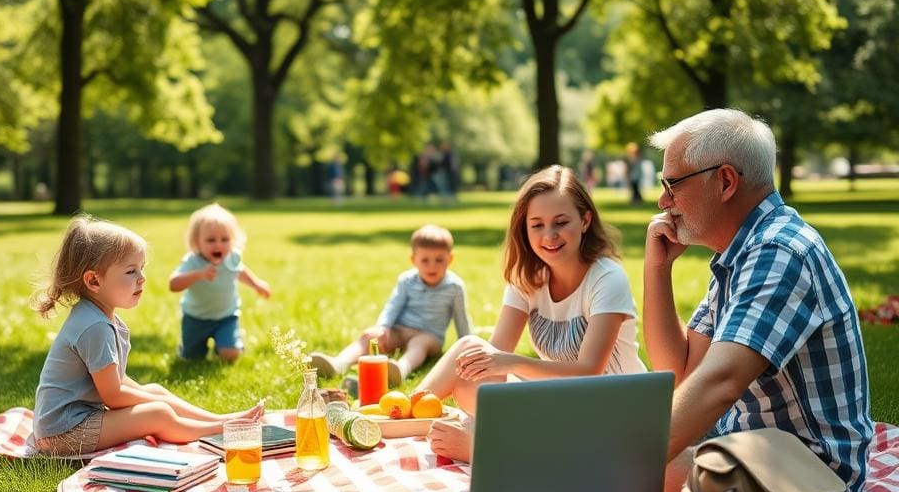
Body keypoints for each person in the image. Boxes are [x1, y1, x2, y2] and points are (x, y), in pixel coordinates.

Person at [643, 108, 873, 492]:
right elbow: (681, 373)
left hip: (814, 470)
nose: (663, 201)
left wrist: (623, 463)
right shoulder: (741, 252)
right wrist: (658, 269)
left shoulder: (779, 252)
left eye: (672, 184)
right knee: (619, 462)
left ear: (726, 181)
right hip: (752, 448)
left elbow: (720, 383)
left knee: (632, 480)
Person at [421, 165, 647, 462]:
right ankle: (406, 411)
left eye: (561, 222)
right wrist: (490, 363)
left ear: (585, 220)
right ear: (524, 230)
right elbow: (495, 353)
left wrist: (510, 363)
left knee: (483, 371)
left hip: (612, 410)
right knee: (470, 353)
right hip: (558, 403)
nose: (549, 235)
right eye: (537, 225)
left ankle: (486, 450)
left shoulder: (607, 278)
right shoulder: (528, 278)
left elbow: (589, 371)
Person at [32, 215, 265, 457]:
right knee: (157, 413)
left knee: (155, 390)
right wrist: (156, 406)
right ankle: (220, 429)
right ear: (93, 280)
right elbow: (113, 395)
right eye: (131, 271)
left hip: (70, 425)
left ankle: (220, 420)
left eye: (141, 269)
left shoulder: (98, 317)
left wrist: (154, 396)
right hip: (62, 435)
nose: (142, 278)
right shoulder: (94, 327)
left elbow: (118, 380)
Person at [310, 224, 471, 387]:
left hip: (429, 336)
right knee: (369, 338)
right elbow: (393, 305)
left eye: (439, 260)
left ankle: (400, 369)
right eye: (425, 260)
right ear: (413, 260)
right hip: (400, 330)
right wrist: (382, 327)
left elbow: (461, 319)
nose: (432, 266)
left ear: (450, 259)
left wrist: (467, 345)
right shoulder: (406, 280)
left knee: (419, 344)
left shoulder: (454, 287)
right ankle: (338, 364)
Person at [169, 203, 272, 361]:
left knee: (230, 355)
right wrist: (199, 275)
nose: (219, 245)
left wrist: (256, 283)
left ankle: (229, 344)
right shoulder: (192, 261)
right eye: (211, 240)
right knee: (191, 358)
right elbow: (173, 284)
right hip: (196, 318)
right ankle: (190, 348)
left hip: (226, 316)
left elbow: (239, 270)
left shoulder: (231, 257)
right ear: (197, 241)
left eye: (225, 239)